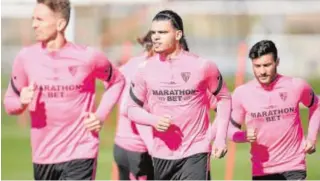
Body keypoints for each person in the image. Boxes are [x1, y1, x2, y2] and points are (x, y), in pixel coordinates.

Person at [3, 0, 125, 180]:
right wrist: (21, 101)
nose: (33, 24)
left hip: (81, 151)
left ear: (60, 24)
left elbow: (117, 81)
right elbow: (9, 103)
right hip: (43, 156)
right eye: (33, 19)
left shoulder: (88, 57)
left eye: (40, 19)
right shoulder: (25, 58)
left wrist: (100, 115)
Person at [125, 10, 231, 180]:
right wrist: (154, 120)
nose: (156, 37)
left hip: (196, 151)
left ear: (178, 34)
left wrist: (220, 138)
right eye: (154, 32)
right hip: (162, 155)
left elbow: (224, 98)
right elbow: (130, 109)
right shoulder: (145, 69)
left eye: (162, 32)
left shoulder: (202, 66)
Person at [228, 40, 320, 180]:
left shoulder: (296, 86)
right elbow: (230, 129)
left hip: (294, 166)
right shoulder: (242, 93)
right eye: (257, 66)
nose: (262, 71)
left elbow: (316, 105)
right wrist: (244, 136)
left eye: (267, 65)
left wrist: (312, 138)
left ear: (277, 62)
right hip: (262, 170)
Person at [113, 32, 154, 180]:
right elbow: (134, 110)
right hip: (139, 149)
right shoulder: (149, 69)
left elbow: (112, 87)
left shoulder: (130, 64)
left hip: (120, 145)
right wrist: (153, 148)